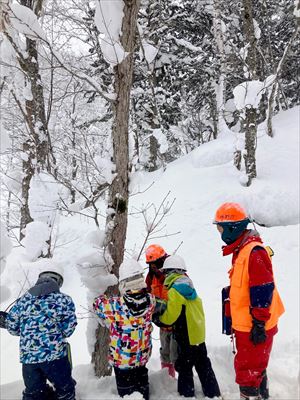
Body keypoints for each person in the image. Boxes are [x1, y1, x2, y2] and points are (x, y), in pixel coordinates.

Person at [214, 202, 285, 400]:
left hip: (254, 325)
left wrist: (259, 324)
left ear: (232, 228)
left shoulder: (254, 252)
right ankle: (262, 395)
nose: (219, 232)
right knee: (254, 368)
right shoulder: (242, 250)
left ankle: (253, 396)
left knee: (248, 373)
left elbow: (263, 289)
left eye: (220, 228)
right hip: (249, 323)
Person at [0, 263, 77, 400]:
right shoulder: (64, 300)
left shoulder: (23, 300)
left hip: (29, 358)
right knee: (65, 391)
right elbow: (68, 329)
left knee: (34, 394)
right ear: (58, 281)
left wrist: (28, 331)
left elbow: (12, 326)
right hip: (55, 356)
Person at [155, 254, 221, 398]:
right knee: (203, 365)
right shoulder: (189, 286)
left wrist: (157, 318)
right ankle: (213, 394)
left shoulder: (175, 291)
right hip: (198, 335)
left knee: (184, 367)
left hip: (185, 336)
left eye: (165, 272)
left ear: (169, 272)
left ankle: (186, 395)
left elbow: (170, 317)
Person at [93, 259, 154, 400]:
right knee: (143, 389)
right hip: (142, 356)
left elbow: (97, 304)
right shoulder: (151, 300)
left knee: (126, 394)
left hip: (123, 360)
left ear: (123, 283)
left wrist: (103, 297)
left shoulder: (116, 305)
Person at [145, 244, 177, 377]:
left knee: (177, 354)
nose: (153, 266)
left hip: (177, 322)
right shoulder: (150, 276)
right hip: (162, 323)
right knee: (165, 353)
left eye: (155, 263)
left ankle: (183, 382)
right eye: (150, 264)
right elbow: (146, 293)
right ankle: (168, 380)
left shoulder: (174, 272)